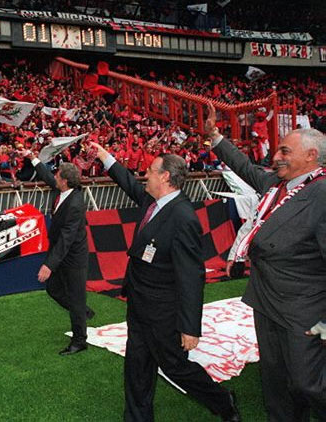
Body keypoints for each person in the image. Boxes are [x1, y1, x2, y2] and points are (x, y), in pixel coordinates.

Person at [90, 141, 240, 422]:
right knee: (137, 366)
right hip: (139, 303)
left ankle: (222, 400)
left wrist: (189, 327)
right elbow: (129, 184)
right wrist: (105, 157)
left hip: (163, 310)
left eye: (150, 170)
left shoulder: (183, 218)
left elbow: (191, 276)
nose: (145, 174)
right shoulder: (153, 202)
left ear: (165, 177)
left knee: (174, 367)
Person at [206, 103, 326, 421]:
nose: (276, 157)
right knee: (275, 383)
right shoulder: (277, 185)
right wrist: (216, 138)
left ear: (311, 156)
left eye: (285, 151)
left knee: (308, 384)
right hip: (266, 300)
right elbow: (245, 168)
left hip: (304, 308)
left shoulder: (322, 194)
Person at [24, 150, 92, 356]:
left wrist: (48, 264)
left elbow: (66, 239)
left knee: (76, 297)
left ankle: (80, 340)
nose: (54, 177)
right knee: (53, 289)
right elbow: (46, 176)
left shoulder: (75, 204)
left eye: (57, 175)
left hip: (73, 257)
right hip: (61, 253)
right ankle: (82, 311)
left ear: (65, 181)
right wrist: (32, 157)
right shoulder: (63, 190)